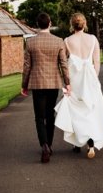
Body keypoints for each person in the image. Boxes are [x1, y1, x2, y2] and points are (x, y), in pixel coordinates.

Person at [54, 12, 103, 159]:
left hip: (74, 80)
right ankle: (90, 145)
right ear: (84, 24)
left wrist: (66, 82)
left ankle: (76, 143)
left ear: (71, 25)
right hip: (89, 79)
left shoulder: (67, 41)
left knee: (75, 111)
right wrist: (94, 78)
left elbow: (64, 64)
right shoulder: (92, 39)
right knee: (90, 110)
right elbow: (97, 62)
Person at [21, 12, 70, 163]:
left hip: (37, 84)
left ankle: (44, 146)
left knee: (39, 117)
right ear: (50, 23)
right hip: (53, 83)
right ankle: (49, 144)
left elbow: (27, 66)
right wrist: (67, 83)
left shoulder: (30, 42)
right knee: (50, 116)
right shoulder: (58, 41)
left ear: (37, 25)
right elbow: (63, 64)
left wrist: (24, 85)